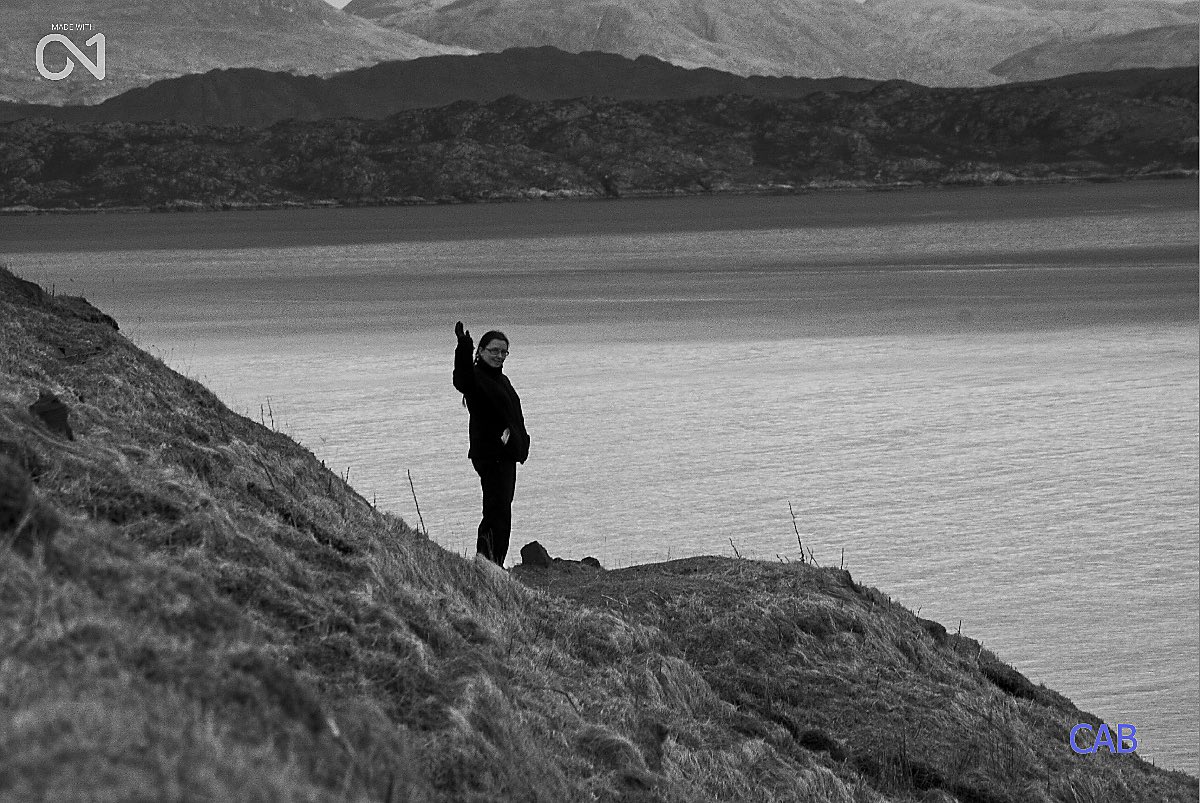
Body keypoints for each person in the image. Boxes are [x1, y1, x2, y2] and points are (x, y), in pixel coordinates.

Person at [453, 321, 530, 566]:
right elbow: (461, 380)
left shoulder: (501, 379)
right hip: (491, 455)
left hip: (505, 455)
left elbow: (513, 415)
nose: (499, 356)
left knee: (501, 511)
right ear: (481, 351)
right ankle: (488, 564)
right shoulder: (476, 377)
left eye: (503, 352)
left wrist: (522, 442)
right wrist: (463, 348)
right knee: (496, 513)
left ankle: (492, 563)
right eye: (493, 350)